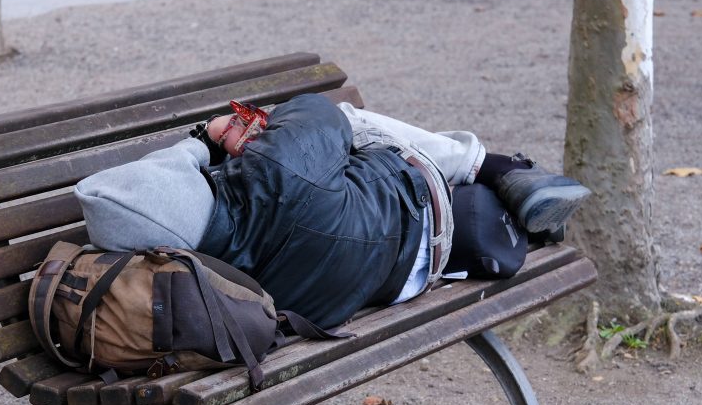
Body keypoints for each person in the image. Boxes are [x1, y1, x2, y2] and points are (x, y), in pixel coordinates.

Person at [74, 93, 589, 329]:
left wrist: (201, 162)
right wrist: (206, 141)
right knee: (345, 123)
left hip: (382, 284)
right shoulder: (278, 170)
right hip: (423, 208)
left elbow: (110, 197)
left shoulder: (218, 271)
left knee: (340, 185)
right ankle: (498, 167)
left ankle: (512, 193)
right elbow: (316, 110)